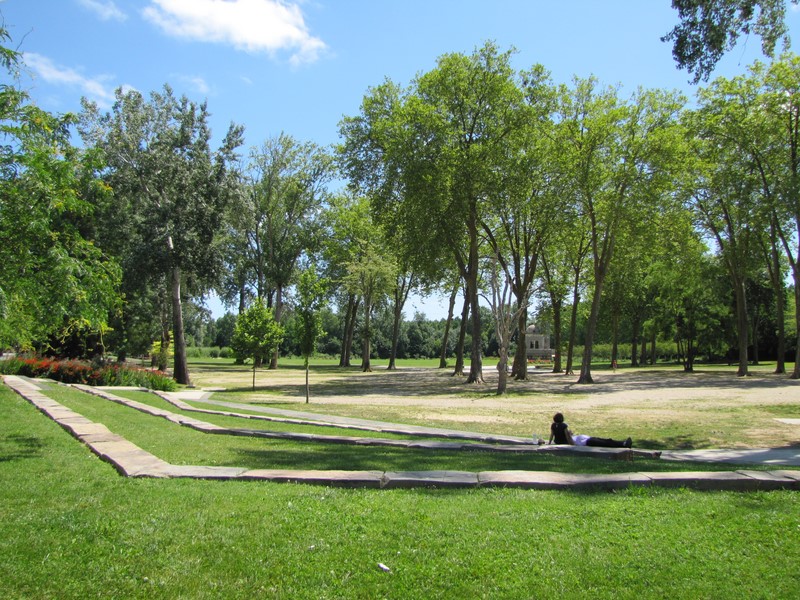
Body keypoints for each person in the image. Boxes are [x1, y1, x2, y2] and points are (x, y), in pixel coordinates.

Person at [548, 412, 632, 448]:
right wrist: (573, 445)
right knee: (605, 442)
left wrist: (549, 443)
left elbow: (552, 435)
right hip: (584, 441)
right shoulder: (563, 426)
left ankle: (623, 443)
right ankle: (623, 444)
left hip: (582, 439)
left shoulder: (553, 426)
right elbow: (568, 439)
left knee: (604, 441)